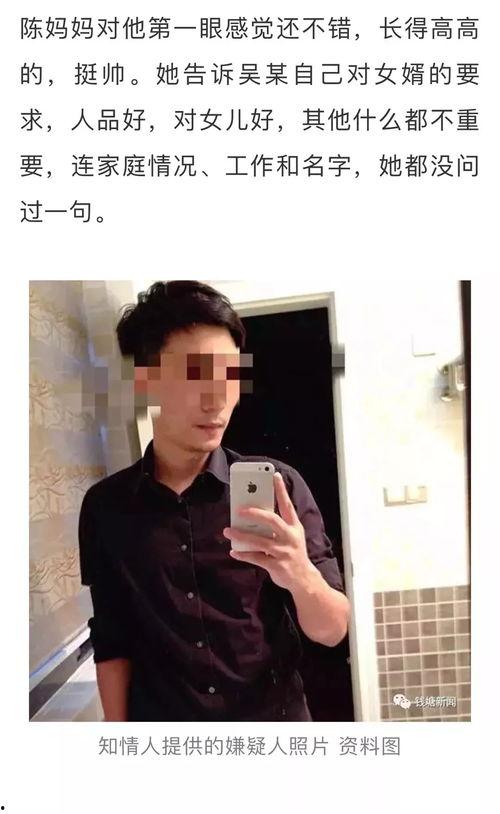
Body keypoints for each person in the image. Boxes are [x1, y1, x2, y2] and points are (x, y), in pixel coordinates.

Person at [78, 280, 351, 721]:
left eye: (230, 374)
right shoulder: (106, 508)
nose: (217, 397)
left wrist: (300, 573)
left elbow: (332, 630)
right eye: (195, 374)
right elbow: (112, 640)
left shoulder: (280, 486)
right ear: (146, 383)